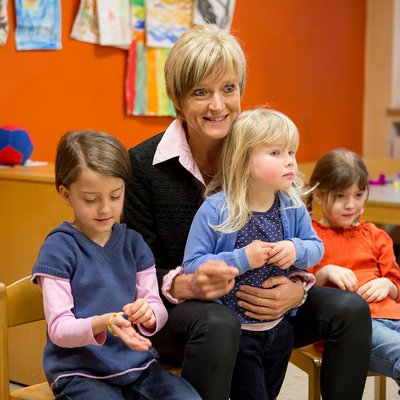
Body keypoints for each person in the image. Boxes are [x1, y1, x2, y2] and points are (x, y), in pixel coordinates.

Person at [123, 24, 372, 400]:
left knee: (350, 309)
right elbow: (137, 267)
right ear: (177, 98)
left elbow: (296, 236)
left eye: (229, 88)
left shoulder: (265, 152)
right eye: (200, 92)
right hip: (180, 314)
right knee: (220, 323)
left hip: (263, 300)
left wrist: (298, 288)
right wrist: (185, 284)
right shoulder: (141, 165)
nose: (218, 105)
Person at [31, 130, 201, 400]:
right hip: (79, 372)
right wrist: (106, 322)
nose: (105, 209)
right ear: (66, 194)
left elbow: (156, 306)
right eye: (91, 199)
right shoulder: (58, 249)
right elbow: (59, 329)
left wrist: (150, 314)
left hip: (138, 365)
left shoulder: (134, 244)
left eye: (115, 195)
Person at [182, 107, 323, 400]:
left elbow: (316, 248)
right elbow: (193, 266)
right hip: (237, 334)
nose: (290, 162)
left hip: (280, 330)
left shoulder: (292, 205)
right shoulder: (216, 209)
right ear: (244, 160)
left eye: (291, 152)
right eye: (275, 153)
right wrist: (241, 258)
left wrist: (295, 249)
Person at [306, 148, 400, 393]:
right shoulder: (309, 238)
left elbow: (395, 282)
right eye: (340, 196)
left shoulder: (377, 236)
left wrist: (388, 285)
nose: (351, 205)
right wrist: (323, 273)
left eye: (358, 195)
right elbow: (299, 291)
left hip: (393, 316)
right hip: (353, 331)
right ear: (318, 195)